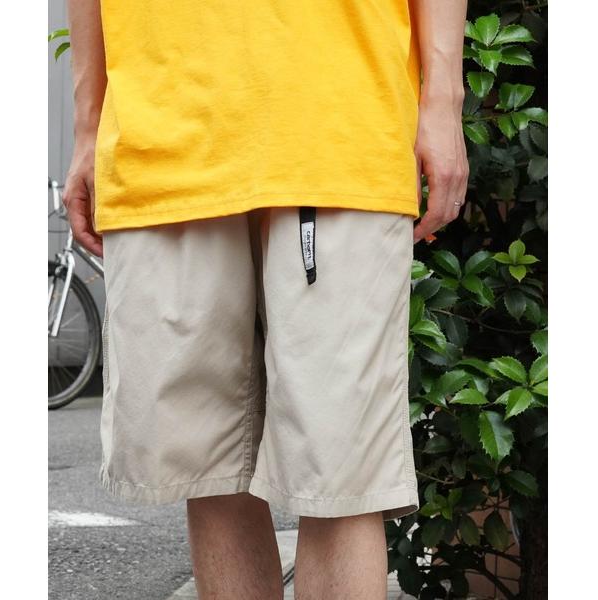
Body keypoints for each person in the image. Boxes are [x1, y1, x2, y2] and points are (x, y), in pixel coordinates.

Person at [63, 1, 468, 598]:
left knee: (340, 472)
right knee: (208, 468)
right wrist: (89, 122)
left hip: (340, 120)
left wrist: (443, 101)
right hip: (161, 122)